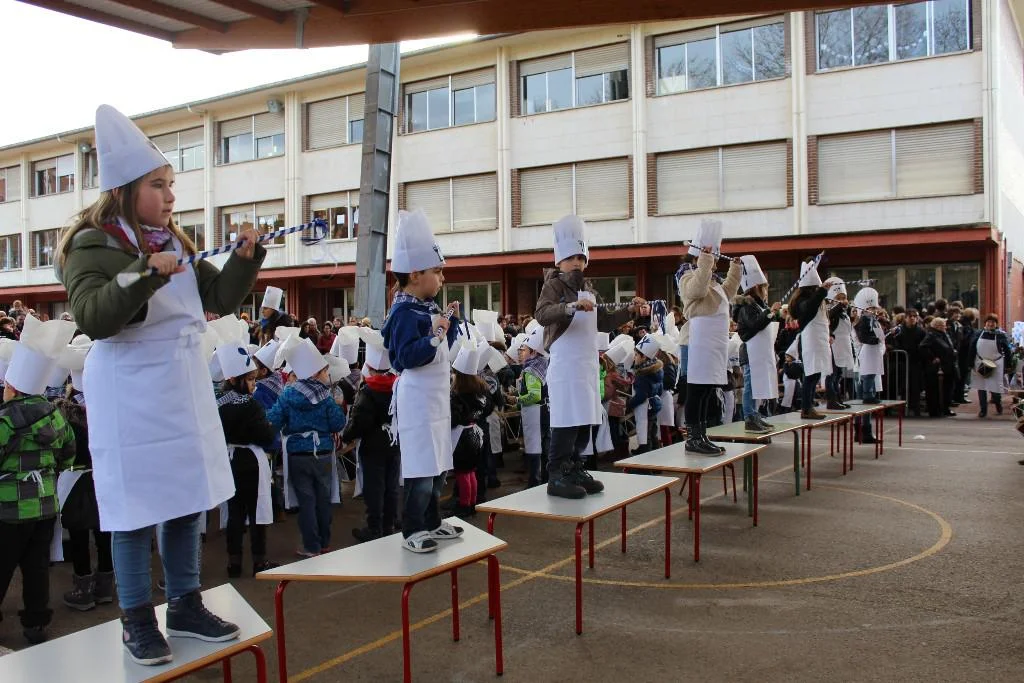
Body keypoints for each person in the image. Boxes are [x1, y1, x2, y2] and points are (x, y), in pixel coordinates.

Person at [56, 106, 263, 664]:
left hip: (180, 384)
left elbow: (218, 299)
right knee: (133, 509)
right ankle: (136, 619)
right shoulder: (92, 245)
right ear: (124, 190)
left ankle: (186, 604)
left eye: (171, 185)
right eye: (158, 185)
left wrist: (244, 260)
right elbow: (94, 316)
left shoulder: (172, 239)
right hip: (129, 389)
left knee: (185, 499)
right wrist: (145, 271)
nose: (171, 196)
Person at [534, 215, 640, 497]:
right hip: (566, 366)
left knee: (584, 420)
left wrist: (629, 310)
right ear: (559, 261)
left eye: (581, 258)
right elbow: (542, 314)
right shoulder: (554, 285)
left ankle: (575, 467)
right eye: (571, 258)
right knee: (566, 421)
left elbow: (604, 321)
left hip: (586, 366)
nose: (576, 262)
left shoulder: (589, 289)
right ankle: (557, 475)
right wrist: (570, 307)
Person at [381, 209, 465, 553]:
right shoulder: (403, 312)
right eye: (437, 271)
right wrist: (437, 333)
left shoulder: (427, 307)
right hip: (417, 401)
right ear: (415, 275)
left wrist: (450, 324)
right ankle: (413, 528)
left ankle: (432, 520)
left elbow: (443, 346)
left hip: (436, 400)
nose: (442, 278)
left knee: (439, 464)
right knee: (421, 469)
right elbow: (404, 358)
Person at [0, 320, 77, 645]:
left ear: (14, 388)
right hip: (45, 506)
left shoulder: (4, 420)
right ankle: (36, 624)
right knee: (36, 568)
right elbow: (68, 453)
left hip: (8, 510)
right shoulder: (55, 415)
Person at [267, 335, 346, 557]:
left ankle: (311, 546)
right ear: (314, 373)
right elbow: (338, 423)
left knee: (306, 501)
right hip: (323, 452)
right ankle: (325, 542)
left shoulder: (288, 394)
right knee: (323, 499)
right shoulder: (326, 396)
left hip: (298, 454)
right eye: (323, 370)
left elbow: (273, 420)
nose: (326, 374)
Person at [55, 335, 116, 613]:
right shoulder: (109, 404)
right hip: (103, 475)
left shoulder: (62, 413)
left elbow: (60, 450)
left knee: (79, 534)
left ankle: (83, 589)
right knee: (104, 532)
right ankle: (105, 586)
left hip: (74, 478)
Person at [214, 339, 279, 578]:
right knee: (257, 512)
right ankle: (259, 561)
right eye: (250, 380)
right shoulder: (250, 405)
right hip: (251, 460)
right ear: (235, 380)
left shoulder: (219, 404)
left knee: (235, 514)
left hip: (230, 459)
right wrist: (270, 429)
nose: (254, 384)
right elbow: (265, 435)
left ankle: (234, 563)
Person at [342, 336, 401, 543]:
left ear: (370, 367)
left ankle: (374, 527)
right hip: (394, 442)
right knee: (391, 487)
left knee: (374, 488)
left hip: (373, 446)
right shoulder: (398, 386)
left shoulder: (368, 391)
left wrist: (347, 435)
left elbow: (360, 421)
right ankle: (389, 523)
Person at [734, 256, 781, 434]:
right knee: (751, 385)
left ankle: (755, 414)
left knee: (758, 384)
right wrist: (770, 312)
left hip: (759, 352)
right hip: (750, 353)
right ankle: (749, 417)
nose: (766, 291)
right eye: (764, 287)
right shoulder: (748, 306)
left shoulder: (758, 305)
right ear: (756, 288)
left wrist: (771, 313)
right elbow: (755, 325)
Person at [450, 344, 495, 517]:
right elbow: (489, 407)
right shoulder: (482, 388)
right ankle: (472, 502)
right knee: (471, 471)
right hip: (476, 431)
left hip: (462, 436)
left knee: (462, 473)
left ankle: (464, 505)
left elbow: (454, 417)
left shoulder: (459, 393)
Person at [789, 259, 830, 420]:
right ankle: (806, 407)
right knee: (811, 374)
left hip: (818, 339)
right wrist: (821, 292)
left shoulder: (814, 298)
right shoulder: (803, 301)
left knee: (816, 373)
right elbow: (810, 309)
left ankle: (810, 405)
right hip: (811, 340)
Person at [515, 325, 549, 488]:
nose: (521, 353)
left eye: (524, 349)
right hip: (546, 411)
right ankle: (546, 479)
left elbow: (534, 395)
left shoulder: (531, 370)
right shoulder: (545, 364)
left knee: (535, 447)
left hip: (535, 413)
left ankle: (534, 482)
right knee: (545, 446)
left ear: (534, 352)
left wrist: (517, 399)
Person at [967, 314, 1011, 418]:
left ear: (996, 324)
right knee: (981, 387)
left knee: (995, 387)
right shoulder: (978, 333)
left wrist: (1008, 365)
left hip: (996, 364)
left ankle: (998, 404)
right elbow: (972, 348)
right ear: (985, 323)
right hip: (980, 363)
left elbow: (1007, 351)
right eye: (989, 322)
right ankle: (983, 410)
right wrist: (970, 363)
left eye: (993, 322)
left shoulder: (1000, 335)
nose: (990, 324)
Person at [627, 334, 664, 454]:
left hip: (646, 407)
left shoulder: (642, 374)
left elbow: (641, 396)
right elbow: (660, 390)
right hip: (654, 404)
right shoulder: (656, 370)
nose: (634, 357)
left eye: (636, 355)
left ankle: (645, 455)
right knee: (652, 430)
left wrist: (629, 404)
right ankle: (655, 453)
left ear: (644, 357)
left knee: (645, 431)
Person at [825, 278, 854, 410]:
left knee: (839, 375)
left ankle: (838, 399)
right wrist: (839, 305)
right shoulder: (829, 309)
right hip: (834, 345)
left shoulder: (843, 312)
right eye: (839, 298)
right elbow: (829, 315)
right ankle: (831, 400)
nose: (842, 300)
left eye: (844, 297)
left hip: (843, 345)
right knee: (832, 374)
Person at [920, 318, 958, 418]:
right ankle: (935, 410)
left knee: (947, 388)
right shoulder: (931, 335)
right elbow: (923, 347)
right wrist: (933, 357)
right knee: (934, 390)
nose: (945, 326)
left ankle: (945, 408)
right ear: (938, 326)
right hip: (937, 367)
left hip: (947, 365)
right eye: (943, 325)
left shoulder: (944, 334)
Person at [853, 288, 885, 406]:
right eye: (872, 308)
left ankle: (871, 394)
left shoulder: (873, 320)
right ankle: (868, 395)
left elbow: (878, 334)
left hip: (874, 350)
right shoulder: (864, 320)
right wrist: (875, 339)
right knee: (868, 374)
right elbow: (863, 337)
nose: (874, 311)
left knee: (872, 373)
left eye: (875, 308)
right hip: (868, 350)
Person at [893, 309, 926, 416]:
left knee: (915, 386)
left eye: (914, 316)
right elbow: (896, 343)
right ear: (905, 318)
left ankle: (916, 408)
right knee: (903, 386)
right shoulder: (900, 330)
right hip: (903, 362)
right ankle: (903, 408)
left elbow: (924, 345)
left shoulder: (921, 331)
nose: (912, 318)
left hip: (916, 362)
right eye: (910, 316)